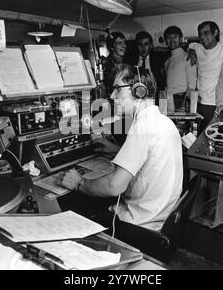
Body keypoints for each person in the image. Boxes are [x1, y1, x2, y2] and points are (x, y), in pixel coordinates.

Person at [60, 64, 183, 231]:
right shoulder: (164, 121)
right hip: (161, 217)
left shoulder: (143, 127)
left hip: (138, 224)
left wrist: (78, 183)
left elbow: (114, 187)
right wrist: (117, 151)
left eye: (117, 89)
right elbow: (150, 160)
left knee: (76, 208)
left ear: (138, 90)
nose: (112, 95)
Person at [127, 31, 169, 99]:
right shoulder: (130, 60)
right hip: (136, 97)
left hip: (156, 97)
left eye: (146, 44)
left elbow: (176, 49)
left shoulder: (159, 57)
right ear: (137, 45)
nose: (143, 48)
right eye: (140, 44)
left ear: (151, 45)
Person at [164, 26, 197, 112]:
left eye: (175, 37)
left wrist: (185, 105)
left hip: (181, 101)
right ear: (165, 41)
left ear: (181, 39)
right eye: (168, 38)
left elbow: (192, 85)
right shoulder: (168, 60)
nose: (172, 40)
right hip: (168, 100)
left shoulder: (188, 57)